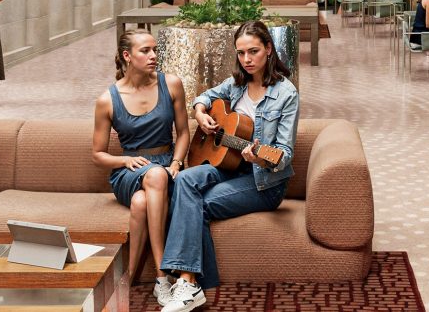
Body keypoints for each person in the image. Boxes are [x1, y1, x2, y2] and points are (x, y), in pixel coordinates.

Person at [161, 21, 300, 312]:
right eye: (241, 53)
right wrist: (200, 113)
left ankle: (189, 282)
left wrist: (260, 157)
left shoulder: (286, 94)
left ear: (269, 49)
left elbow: (284, 154)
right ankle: (191, 284)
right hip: (229, 166)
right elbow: (204, 97)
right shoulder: (236, 84)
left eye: (253, 51)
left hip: (263, 182)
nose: (247, 60)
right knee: (184, 180)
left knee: (197, 202)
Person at [95, 30, 191, 301]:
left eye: (154, 50)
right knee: (155, 176)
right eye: (145, 51)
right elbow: (97, 155)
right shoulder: (107, 99)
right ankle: (163, 274)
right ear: (127, 56)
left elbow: (183, 133)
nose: (153, 56)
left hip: (166, 165)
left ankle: (130, 276)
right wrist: (124, 159)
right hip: (129, 170)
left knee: (141, 202)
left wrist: (176, 162)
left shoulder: (171, 84)